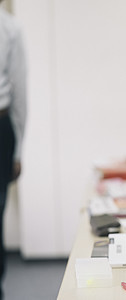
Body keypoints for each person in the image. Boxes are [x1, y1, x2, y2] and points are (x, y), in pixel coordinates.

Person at [0, 2, 27, 298]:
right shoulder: (8, 25)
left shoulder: (9, 26)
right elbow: (19, 89)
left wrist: (17, 149)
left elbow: (19, 89)